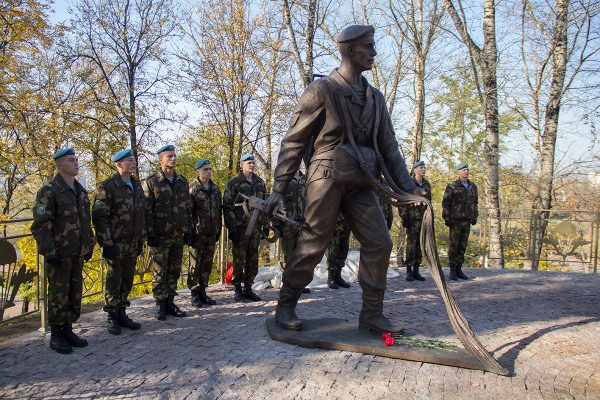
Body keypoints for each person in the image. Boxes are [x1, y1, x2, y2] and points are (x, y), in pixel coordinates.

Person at [265, 25, 426, 333]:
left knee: (380, 242)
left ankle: (372, 314)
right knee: (313, 244)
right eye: (369, 46)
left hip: (362, 181)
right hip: (326, 178)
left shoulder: (375, 98)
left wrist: (409, 189)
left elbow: (390, 148)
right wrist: (279, 189)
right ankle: (285, 306)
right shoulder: (321, 91)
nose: (374, 53)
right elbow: (293, 142)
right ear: (349, 50)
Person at [31, 148, 95, 354]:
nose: (76, 163)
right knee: (58, 294)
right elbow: (41, 225)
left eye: (77, 160)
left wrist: (89, 244)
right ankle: (57, 334)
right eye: (71, 160)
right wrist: (50, 251)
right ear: (59, 166)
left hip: (77, 251)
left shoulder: (80, 190)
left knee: (74, 293)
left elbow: (86, 222)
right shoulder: (49, 191)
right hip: (59, 252)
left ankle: (68, 328)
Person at [92, 149, 145, 334]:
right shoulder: (107, 187)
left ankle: (122, 312)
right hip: (115, 243)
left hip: (132, 242)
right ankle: (112, 316)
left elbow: (141, 213)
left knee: (127, 279)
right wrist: (106, 244)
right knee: (113, 280)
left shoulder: (136, 185)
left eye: (133, 160)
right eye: (129, 161)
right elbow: (100, 218)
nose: (133, 163)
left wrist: (141, 239)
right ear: (119, 164)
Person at [144, 144, 192, 320]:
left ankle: (171, 301)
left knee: (174, 269)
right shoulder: (152, 181)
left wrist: (189, 229)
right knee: (159, 271)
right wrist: (151, 234)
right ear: (161, 159)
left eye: (174, 156)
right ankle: (160, 304)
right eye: (169, 156)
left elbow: (187, 208)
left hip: (178, 234)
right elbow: (147, 211)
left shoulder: (182, 181)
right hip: (160, 235)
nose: (173, 158)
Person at [223, 154, 266, 302]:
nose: (252, 165)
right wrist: (232, 227)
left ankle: (248, 288)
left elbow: (264, 205)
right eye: (249, 163)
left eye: (254, 163)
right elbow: (227, 207)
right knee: (238, 260)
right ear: (241, 165)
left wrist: (265, 225)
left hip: (255, 228)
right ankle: (237, 289)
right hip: (240, 228)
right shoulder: (234, 183)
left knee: (253, 259)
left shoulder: (260, 182)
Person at [188, 159, 222, 307]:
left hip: (211, 232)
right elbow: (188, 213)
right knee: (195, 265)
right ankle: (194, 293)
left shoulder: (215, 189)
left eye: (210, 169)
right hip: (197, 234)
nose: (208, 172)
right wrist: (190, 233)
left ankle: (203, 292)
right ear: (198, 172)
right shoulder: (192, 190)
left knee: (207, 264)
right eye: (205, 169)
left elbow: (219, 211)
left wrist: (218, 229)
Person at [442, 162, 478, 281]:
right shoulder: (452, 186)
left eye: (467, 169)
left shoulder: (473, 186)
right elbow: (446, 203)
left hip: (466, 221)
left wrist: (474, 216)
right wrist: (447, 218)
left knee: (462, 246)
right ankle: (452, 269)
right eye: (463, 170)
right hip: (455, 221)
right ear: (458, 172)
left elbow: (475, 203)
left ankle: (459, 268)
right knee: (454, 246)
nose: (466, 171)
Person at [400, 160, 432, 282]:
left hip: (423, 219)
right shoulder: (409, 184)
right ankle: (408, 270)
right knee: (411, 245)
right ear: (415, 170)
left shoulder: (426, 184)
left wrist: (429, 217)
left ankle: (416, 270)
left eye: (424, 167)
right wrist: (404, 217)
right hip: (412, 219)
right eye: (421, 168)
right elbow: (401, 201)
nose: (424, 169)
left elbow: (429, 202)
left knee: (420, 244)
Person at [326, 214, 351, 289]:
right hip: (334, 221)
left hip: (346, 221)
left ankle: (338, 276)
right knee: (333, 249)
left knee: (343, 249)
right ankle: (331, 277)